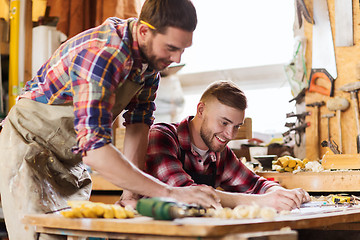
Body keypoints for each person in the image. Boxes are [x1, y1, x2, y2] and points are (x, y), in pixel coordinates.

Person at [0, 1, 220, 239]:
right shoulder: (102, 54)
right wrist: (171, 193)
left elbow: (138, 124)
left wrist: (130, 195)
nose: (176, 58)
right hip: (29, 150)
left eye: (183, 49)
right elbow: (95, 150)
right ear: (144, 31)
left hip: (69, 161)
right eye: (171, 48)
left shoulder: (149, 67)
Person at [145, 80, 311, 211]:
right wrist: (263, 202)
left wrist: (280, 193)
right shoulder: (162, 136)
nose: (230, 135)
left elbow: (254, 184)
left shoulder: (219, 152)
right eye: (224, 123)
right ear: (201, 110)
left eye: (236, 126)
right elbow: (186, 193)